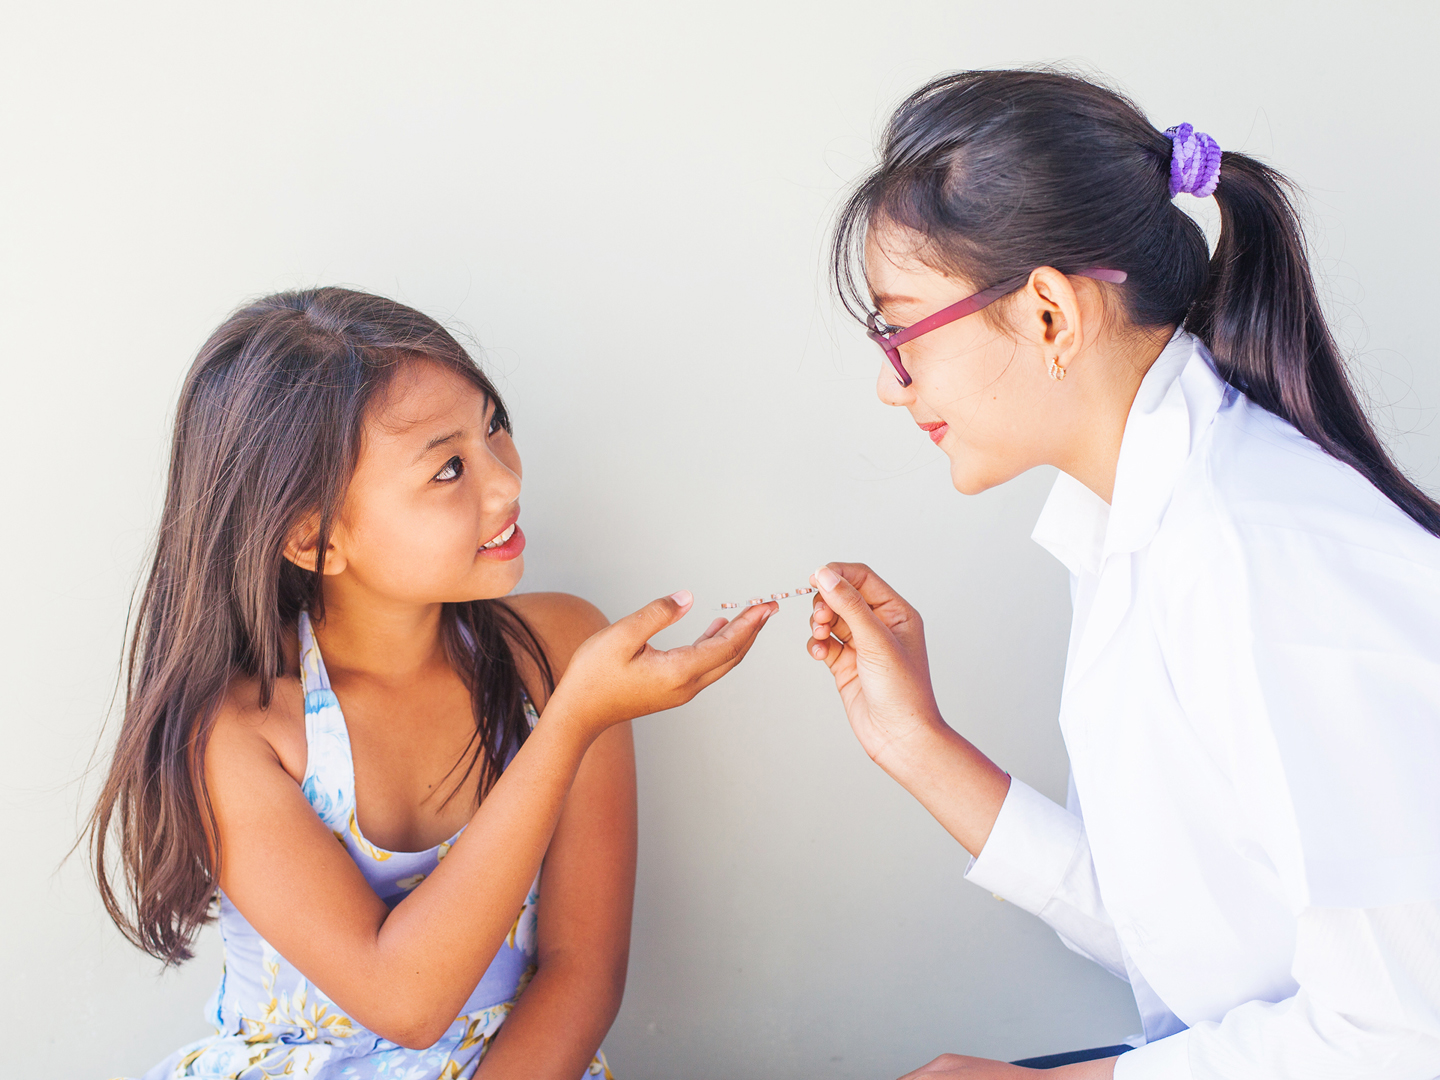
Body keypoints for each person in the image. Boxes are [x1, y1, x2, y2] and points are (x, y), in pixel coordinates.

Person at [808, 69, 1440, 1078]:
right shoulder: (1141, 522)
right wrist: (916, 744)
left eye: (901, 335)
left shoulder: (1261, 563)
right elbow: (1189, 929)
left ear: (1052, 314)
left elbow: (1405, 1036)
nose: (895, 390)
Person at [89, 287, 777, 1080]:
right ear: (316, 535)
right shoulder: (241, 731)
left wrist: (579, 706)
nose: (506, 482)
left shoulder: (559, 651)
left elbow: (582, 970)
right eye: (449, 467)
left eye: (495, 428)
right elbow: (405, 1002)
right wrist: (570, 725)